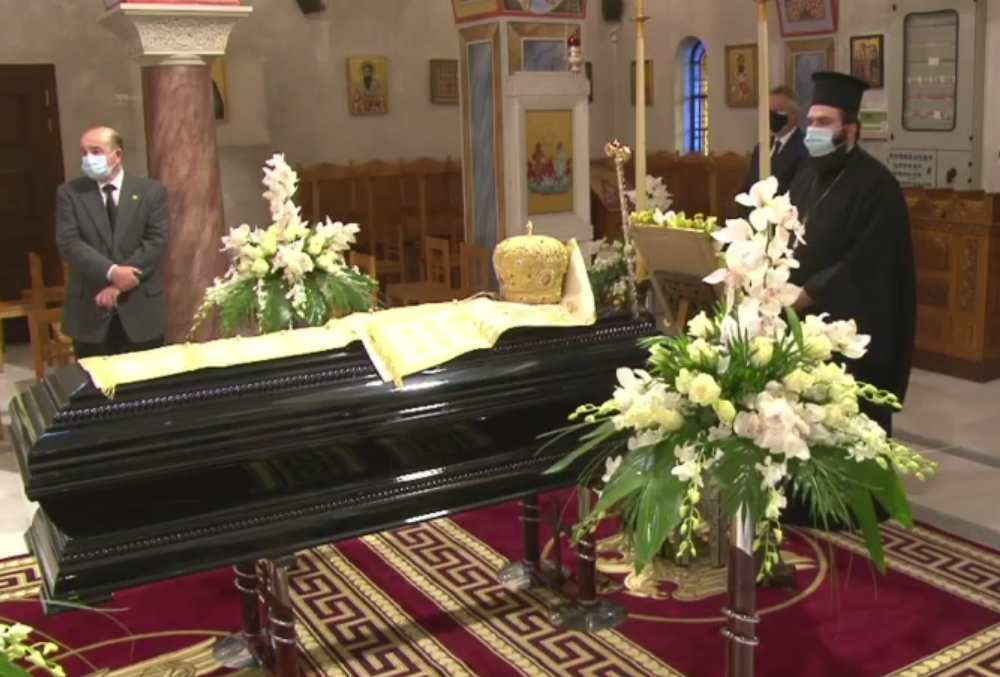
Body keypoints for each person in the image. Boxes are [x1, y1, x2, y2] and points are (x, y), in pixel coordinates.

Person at [788, 71, 916, 435]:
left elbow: (868, 262)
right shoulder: (804, 178)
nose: (813, 130)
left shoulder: (878, 186)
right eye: (811, 121)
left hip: (854, 333)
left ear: (851, 131)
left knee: (850, 435)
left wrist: (810, 292)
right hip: (799, 327)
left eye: (824, 122)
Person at [55, 126, 171, 358]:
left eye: (96, 151)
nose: (88, 158)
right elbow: (69, 243)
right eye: (84, 152)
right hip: (89, 311)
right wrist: (112, 272)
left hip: (141, 308)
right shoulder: (70, 193)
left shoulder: (151, 191)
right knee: (95, 379)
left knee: (145, 378)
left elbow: (156, 241)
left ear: (117, 155)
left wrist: (120, 283)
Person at [742, 85, 809, 196]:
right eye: (768, 111)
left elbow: (798, 192)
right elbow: (748, 187)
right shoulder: (762, 147)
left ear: (794, 115)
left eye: (778, 110)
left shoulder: (804, 149)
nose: (771, 116)